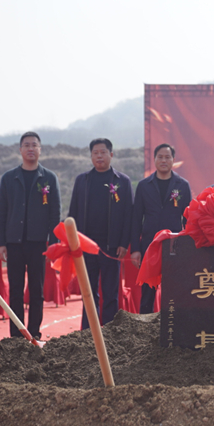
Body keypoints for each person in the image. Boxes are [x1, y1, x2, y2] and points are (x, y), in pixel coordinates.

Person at [0, 132, 61, 340]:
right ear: (20, 150)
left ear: (40, 149)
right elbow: (1, 212)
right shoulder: (9, 178)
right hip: (14, 243)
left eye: (34, 145)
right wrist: (1, 243)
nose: (31, 149)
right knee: (15, 289)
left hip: (38, 243)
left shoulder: (49, 178)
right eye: (27, 145)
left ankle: (34, 333)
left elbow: (55, 214)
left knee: (36, 290)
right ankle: (16, 334)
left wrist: (54, 245)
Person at [69, 138, 133, 329]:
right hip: (86, 246)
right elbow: (73, 212)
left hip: (111, 247)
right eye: (95, 153)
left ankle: (110, 332)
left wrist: (123, 243)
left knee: (111, 292)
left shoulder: (122, 181)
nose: (99, 156)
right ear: (91, 156)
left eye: (103, 152)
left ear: (111, 155)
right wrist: (73, 242)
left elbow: (128, 215)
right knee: (88, 293)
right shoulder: (82, 181)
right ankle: (88, 332)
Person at [130, 143, 192, 313]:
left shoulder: (182, 185)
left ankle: (173, 325)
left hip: (175, 245)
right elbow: (136, 219)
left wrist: (188, 247)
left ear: (173, 160)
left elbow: (189, 219)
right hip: (149, 245)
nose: (164, 160)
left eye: (167, 157)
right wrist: (135, 249)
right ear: (154, 159)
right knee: (147, 293)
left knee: (175, 290)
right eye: (160, 157)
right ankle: (145, 326)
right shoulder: (144, 185)